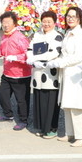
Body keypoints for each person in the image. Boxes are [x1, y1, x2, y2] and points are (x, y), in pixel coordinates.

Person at [38, 6, 82, 147]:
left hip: (76, 74)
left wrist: (60, 62)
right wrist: (54, 60)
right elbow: (63, 53)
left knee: (77, 106)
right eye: (68, 16)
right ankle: (70, 133)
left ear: (79, 18)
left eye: (74, 16)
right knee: (67, 104)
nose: (70, 19)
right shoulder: (68, 33)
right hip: (66, 73)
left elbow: (79, 56)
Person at [26, 10, 63, 138]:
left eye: (49, 21)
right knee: (39, 101)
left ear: (54, 23)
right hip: (37, 73)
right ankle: (41, 127)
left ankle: (51, 129)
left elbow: (54, 53)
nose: (46, 24)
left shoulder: (57, 36)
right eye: (44, 21)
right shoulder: (37, 35)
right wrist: (31, 60)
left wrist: (36, 58)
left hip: (50, 74)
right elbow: (29, 49)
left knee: (50, 102)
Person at [0, 11, 31, 129]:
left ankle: (23, 120)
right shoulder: (5, 36)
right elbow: (2, 51)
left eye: (8, 22)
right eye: (3, 22)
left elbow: (28, 55)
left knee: (21, 100)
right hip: (7, 73)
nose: (5, 25)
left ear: (14, 23)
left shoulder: (20, 38)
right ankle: (8, 115)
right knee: (2, 95)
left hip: (20, 75)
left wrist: (16, 58)